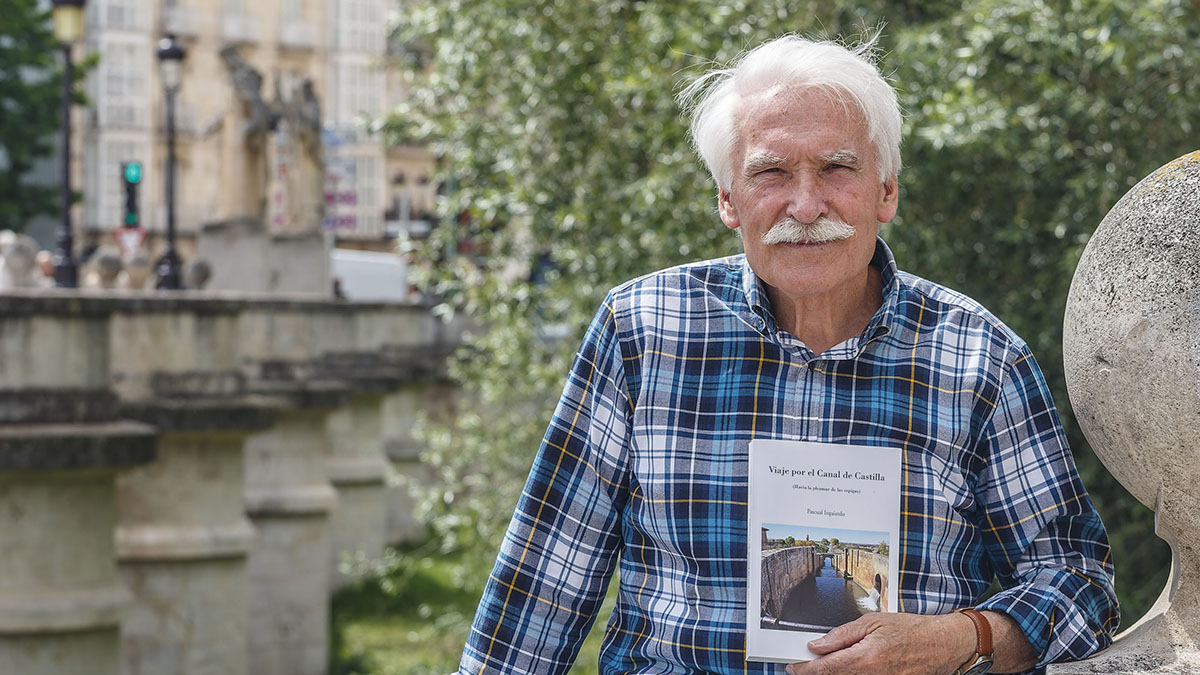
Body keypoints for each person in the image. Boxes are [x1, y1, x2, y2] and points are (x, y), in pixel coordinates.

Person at [455, 34, 1118, 675]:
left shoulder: (978, 358)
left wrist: (959, 638)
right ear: (727, 200)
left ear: (885, 189)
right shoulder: (642, 331)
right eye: (771, 172)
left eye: (837, 168)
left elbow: (1079, 584)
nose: (805, 204)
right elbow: (543, 585)